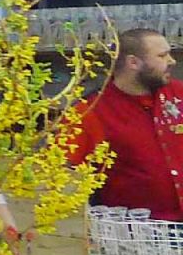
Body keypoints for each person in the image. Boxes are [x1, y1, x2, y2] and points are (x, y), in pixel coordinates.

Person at [71, 27, 183, 220]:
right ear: (133, 62)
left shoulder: (178, 93)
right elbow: (63, 173)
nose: (172, 61)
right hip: (139, 228)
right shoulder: (90, 111)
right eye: (162, 56)